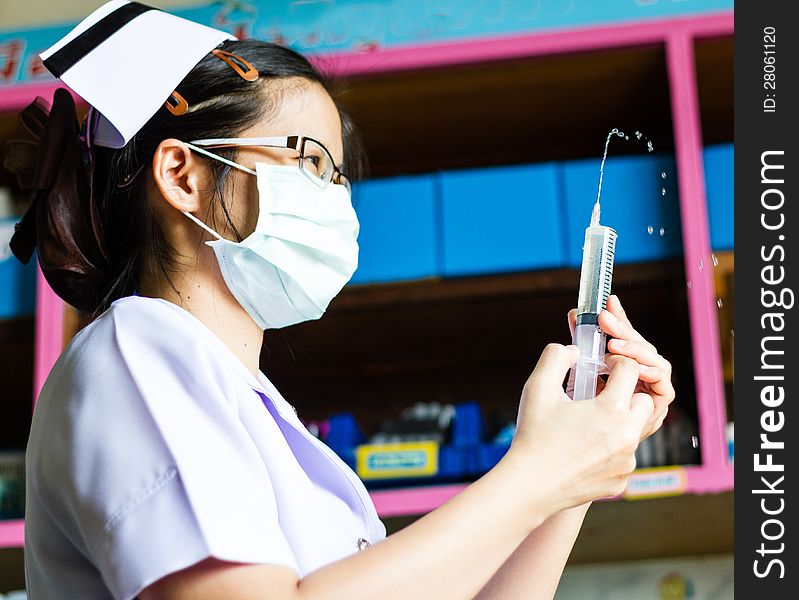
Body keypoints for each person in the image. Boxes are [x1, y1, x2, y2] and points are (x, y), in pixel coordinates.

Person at [10, 2, 674, 599]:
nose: (338, 201)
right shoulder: (137, 353)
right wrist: (539, 470)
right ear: (182, 175)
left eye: (340, 177)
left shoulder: (261, 417)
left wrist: (574, 467)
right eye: (311, 163)